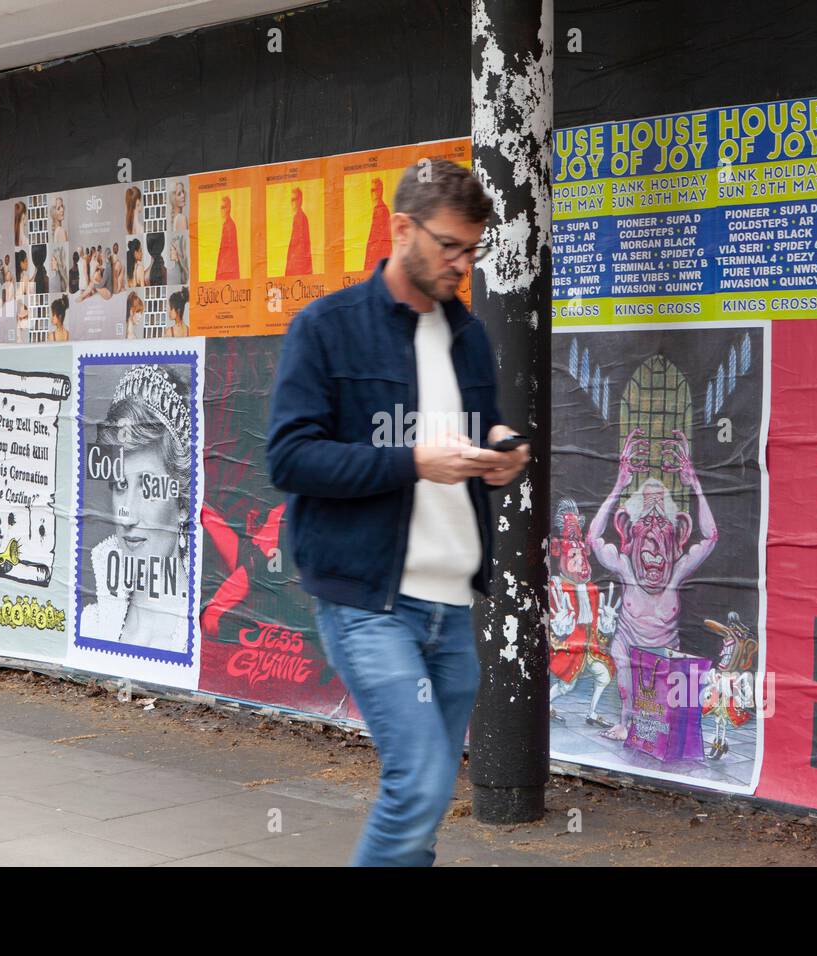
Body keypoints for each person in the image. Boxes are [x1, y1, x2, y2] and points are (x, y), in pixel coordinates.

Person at [267, 159, 528, 867]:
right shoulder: (327, 329)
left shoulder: (467, 335)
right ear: (401, 229)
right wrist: (409, 461)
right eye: (449, 246)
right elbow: (289, 460)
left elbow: (481, 425)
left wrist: (501, 449)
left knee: (430, 796)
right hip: (369, 602)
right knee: (417, 785)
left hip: (451, 604)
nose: (462, 264)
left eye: (472, 250)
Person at [80, 364, 193, 652]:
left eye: (148, 488)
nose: (126, 514)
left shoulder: (200, 636)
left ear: (182, 503)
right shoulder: (93, 623)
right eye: (120, 485)